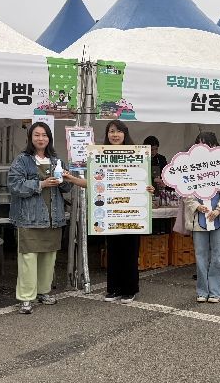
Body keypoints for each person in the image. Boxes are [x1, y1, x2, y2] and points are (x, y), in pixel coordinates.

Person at [64, 120, 154, 304]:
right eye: (111, 131)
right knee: (113, 252)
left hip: (131, 212)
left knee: (130, 252)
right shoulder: (100, 155)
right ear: (107, 135)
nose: (115, 135)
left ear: (125, 134)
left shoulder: (137, 154)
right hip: (110, 212)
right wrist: (72, 179)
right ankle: (113, 289)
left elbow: (144, 182)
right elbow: (93, 182)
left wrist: (150, 188)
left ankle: (129, 289)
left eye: (119, 131)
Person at [8, 122, 73, 314]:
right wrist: (41, 184)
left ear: (49, 138)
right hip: (29, 217)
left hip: (53, 217)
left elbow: (67, 188)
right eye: (36, 135)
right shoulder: (22, 160)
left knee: (48, 256)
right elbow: (14, 185)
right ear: (30, 138)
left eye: (44, 135)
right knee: (28, 258)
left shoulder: (56, 160)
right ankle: (26, 298)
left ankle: (43, 292)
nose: (41, 138)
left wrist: (65, 179)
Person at [184, 131, 220, 303]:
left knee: (218, 254)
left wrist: (219, 209)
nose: (203, 147)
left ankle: (216, 291)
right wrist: (196, 206)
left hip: (219, 215)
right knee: (200, 255)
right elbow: (185, 190)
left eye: (206, 144)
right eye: (199, 144)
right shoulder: (190, 165)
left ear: (214, 145)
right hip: (199, 216)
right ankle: (202, 290)